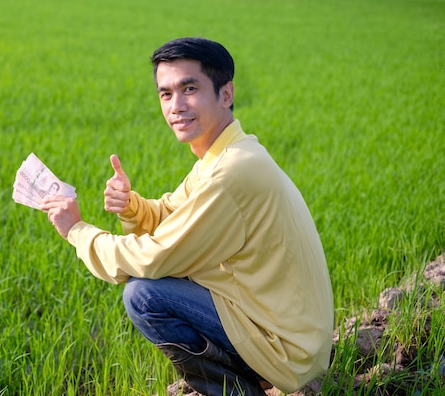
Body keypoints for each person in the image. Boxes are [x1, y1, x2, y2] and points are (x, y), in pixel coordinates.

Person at [41, 37, 334, 396]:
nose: (176, 106)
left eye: (189, 88)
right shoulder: (227, 155)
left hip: (285, 349)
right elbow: (171, 213)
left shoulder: (231, 174)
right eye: (165, 94)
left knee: (144, 295)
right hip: (289, 334)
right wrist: (131, 206)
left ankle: (236, 391)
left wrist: (77, 230)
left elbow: (152, 258)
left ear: (226, 94)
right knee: (160, 282)